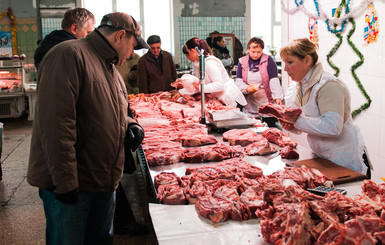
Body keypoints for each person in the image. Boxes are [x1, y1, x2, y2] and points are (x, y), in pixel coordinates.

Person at [27, 12, 149, 244]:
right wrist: (65, 183)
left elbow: (111, 110)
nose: (132, 53)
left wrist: (130, 125)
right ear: (120, 36)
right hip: (74, 185)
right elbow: (56, 124)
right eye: (132, 46)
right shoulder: (69, 54)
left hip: (103, 179)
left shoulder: (110, 68)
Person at [279, 38, 372, 178]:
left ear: (307, 60)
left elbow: (332, 127)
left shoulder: (329, 85)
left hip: (345, 160)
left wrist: (295, 121)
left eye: (290, 62)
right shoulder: (297, 86)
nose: (285, 68)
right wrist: (292, 126)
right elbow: (307, 121)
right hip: (322, 158)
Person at [181, 37, 246, 108]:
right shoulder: (197, 64)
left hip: (229, 98)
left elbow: (219, 85)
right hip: (218, 98)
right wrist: (181, 92)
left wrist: (200, 87)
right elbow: (197, 84)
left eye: (188, 53)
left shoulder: (210, 63)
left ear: (193, 51)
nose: (187, 57)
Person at [235, 37, 283, 125]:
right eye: (253, 52)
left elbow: (274, 80)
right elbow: (238, 81)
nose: (256, 55)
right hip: (249, 102)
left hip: (266, 101)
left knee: (269, 129)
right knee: (251, 131)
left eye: (259, 52)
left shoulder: (269, 60)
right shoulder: (242, 62)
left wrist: (277, 96)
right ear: (248, 49)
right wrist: (247, 88)